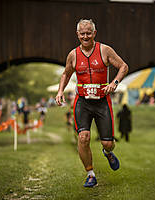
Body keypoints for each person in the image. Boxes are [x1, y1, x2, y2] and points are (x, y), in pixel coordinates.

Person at [55, 19, 129, 187]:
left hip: (102, 102)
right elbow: (66, 74)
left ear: (94, 33)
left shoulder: (104, 50)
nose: (86, 36)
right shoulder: (73, 54)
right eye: (82, 33)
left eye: (89, 33)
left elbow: (123, 66)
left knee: (108, 143)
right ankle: (90, 174)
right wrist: (60, 91)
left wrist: (114, 83)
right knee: (83, 137)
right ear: (77, 35)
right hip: (83, 102)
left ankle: (107, 152)